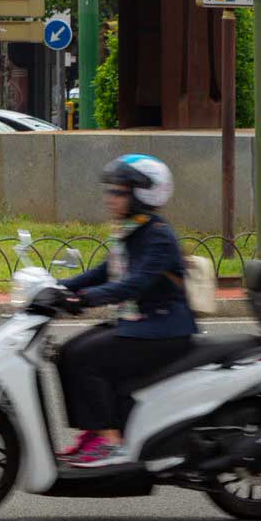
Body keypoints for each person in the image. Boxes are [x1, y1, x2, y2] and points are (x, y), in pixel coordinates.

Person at [37, 155, 198, 467]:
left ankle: (110, 443)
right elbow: (103, 271)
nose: (110, 198)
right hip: (138, 323)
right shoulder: (132, 230)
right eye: (109, 191)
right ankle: (95, 432)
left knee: (86, 358)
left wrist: (85, 299)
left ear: (144, 194)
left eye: (119, 192)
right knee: (69, 353)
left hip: (163, 329)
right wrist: (58, 287)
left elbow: (133, 285)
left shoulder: (158, 236)